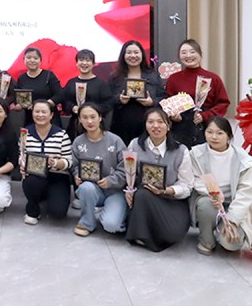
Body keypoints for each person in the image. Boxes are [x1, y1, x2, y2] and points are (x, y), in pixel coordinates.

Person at [125, 108, 193, 252]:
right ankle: (141, 235)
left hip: (171, 200)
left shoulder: (181, 151)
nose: (155, 126)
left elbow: (187, 185)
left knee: (174, 234)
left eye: (160, 122)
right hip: (144, 198)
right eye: (151, 122)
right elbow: (129, 173)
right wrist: (129, 190)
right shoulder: (135, 145)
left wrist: (167, 190)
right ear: (145, 125)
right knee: (143, 194)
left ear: (168, 125)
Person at [190, 117, 252, 255]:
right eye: (209, 132)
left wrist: (233, 220)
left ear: (229, 136)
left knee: (232, 243)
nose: (214, 137)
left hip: (234, 202)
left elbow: (246, 192)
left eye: (219, 133)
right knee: (205, 204)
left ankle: (223, 231)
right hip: (210, 197)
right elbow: (195, 179)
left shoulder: (244, 160)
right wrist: (214, 193)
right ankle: (206, 241)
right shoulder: (196, 153)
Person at [71, 103, 127, 236]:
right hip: (92, 188)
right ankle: (87, 222)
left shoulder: (115, 141)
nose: (89, 121)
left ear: (100, 118)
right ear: (80, 120)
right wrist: (77, 175)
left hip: (114, 191)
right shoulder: (78, 142)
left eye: (93, 117)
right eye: (85, 117)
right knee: (86, 188)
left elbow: (126, 169)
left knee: (111, 225)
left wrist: (110, 181)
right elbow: (75, 166)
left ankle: (115, 213)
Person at [165, 38, 230, 148]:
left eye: (192, 52)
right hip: (180, 129)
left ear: (200, 54)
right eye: (184, 52)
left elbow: (223, 103)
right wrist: (173, 115)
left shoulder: (212, 78)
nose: (188, 55)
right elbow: (167, 102)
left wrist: (205, 115)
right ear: (179, 56)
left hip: (206, 127)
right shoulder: (174, 79)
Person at [21, 100, 72, 225]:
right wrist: (23, 165)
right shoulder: (25, 133)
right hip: (35, 176)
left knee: (58, 213)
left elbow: (69, 161)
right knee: (31, 181)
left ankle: (50, 198)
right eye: (37, 111)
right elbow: (21, 154)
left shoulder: (61, 134)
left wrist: (56, 163)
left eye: (44, 112)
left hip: (57, 176)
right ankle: (33, 210)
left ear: (51, 115)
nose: (40, 115)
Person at [109, 40, 165, 145]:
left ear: (142, 55)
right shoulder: (115, 77)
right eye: (129, 52)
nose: (133, 56)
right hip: (122, 126)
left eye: (136, 52)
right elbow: (108, 99)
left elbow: (163, 98)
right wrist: (119, 99)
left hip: (148, 125)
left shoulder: (153, 75)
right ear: (123, 55)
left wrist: (152, 102)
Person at [62, 49, 112, 141]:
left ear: (93, 64)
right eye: (81, 60)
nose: (84, 63)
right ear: (76, 63)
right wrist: (72, 107)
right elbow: (64, 101)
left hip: (95, 125)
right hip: (75, 125)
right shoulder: (71, 82)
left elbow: (108, 103)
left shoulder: (101, 84)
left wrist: (93, 110)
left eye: (88, 60)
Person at [16, 47, 63, 128]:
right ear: (24, 60)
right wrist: (19, 105)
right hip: (30, 119)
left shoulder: (49, 75)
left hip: (50, 118)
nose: (32, 60)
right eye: (29, 57)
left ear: (40, 60)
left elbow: (60, 94)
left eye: (35, 58)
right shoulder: (22, 78)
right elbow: (20, 97)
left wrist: (45, 105)